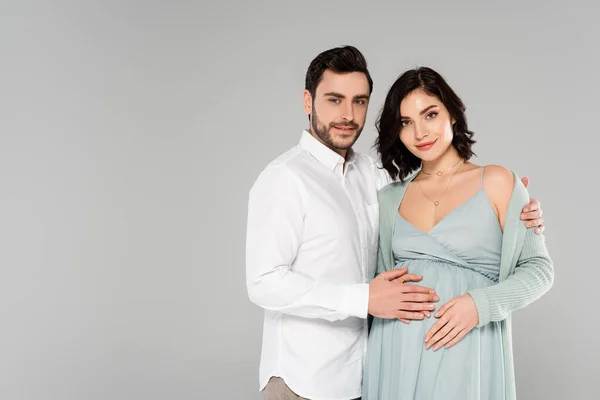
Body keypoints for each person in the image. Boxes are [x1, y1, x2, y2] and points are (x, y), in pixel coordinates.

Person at [246, 46, 545, 400]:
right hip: (305, 377)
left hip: (368, 370)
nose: (347, 114)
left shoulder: (376, 179)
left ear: (452, 114)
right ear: (308, 102)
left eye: (358, 101)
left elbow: (521, 256)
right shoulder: (285, 178)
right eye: (334, 99)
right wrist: (364, 298)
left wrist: (524, 214)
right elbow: (264, 282)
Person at [362, 67, 554, 400]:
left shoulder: (497, 181)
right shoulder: (389, 197)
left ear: (452, 113)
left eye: (430, 114)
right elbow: (379, 280)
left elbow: (540, 269)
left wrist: (480, 306)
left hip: (469, 349)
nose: (420, 132)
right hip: (394, 354)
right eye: (406, 122)